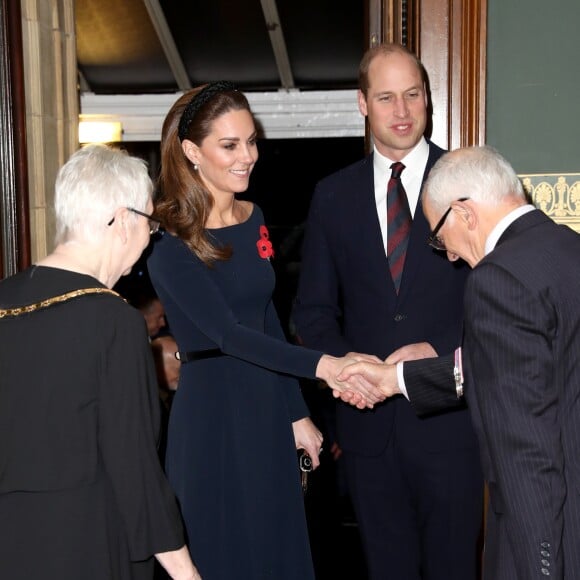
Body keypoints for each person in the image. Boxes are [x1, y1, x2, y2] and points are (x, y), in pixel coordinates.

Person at [146, 81, 382, 580]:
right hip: (212, 419)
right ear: (191, 152)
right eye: (229, 145)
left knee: (279, 552)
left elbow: (266, 318)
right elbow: (229, 334)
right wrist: (326, 366)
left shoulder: (256, 217)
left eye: (251, 141)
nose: (247, 156)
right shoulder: (170, 246)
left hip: (264, 408)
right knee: (226, 556)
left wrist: (296, 413)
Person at [339, 145, 580, 579]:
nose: (447, 254)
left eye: (438, 236)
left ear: (464, 213)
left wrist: (541, 567)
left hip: (549, 540)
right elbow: (527, 367)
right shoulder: (566, 249)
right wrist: (396, 379)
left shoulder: (497, 279)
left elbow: (527, 452)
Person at [292, 43, 483, 579]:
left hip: (452, 424)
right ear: (362, 103)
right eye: (385, 97)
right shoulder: (332, 196)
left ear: (427, 99)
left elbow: (499, 297)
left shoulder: (470, 181)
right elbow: (312, 309)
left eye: (413, 95)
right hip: (368, 428)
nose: (401, 111)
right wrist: (346, 366)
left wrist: (437, 351)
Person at [0, 145, 200, 580]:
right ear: (122, 219)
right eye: (151, 223)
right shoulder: (113, 320)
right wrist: (186, 573)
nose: (150, 237)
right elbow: (135, 466)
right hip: (82, 542)